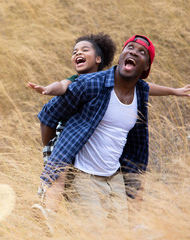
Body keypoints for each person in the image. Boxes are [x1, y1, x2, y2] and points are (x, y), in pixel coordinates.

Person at [31, 34, 161, 234]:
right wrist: (56, 149)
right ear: (121, 55)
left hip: (114, 176)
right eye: (130, 47)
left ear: (146, 67)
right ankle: (48, 211)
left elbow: (152, 90)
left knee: (118, 233)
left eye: (141, 51)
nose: (134, 51)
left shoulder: (140, 92)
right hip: (84, 174)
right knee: (95, 232)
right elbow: (48, 113)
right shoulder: (88, 83)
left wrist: (176, 91)